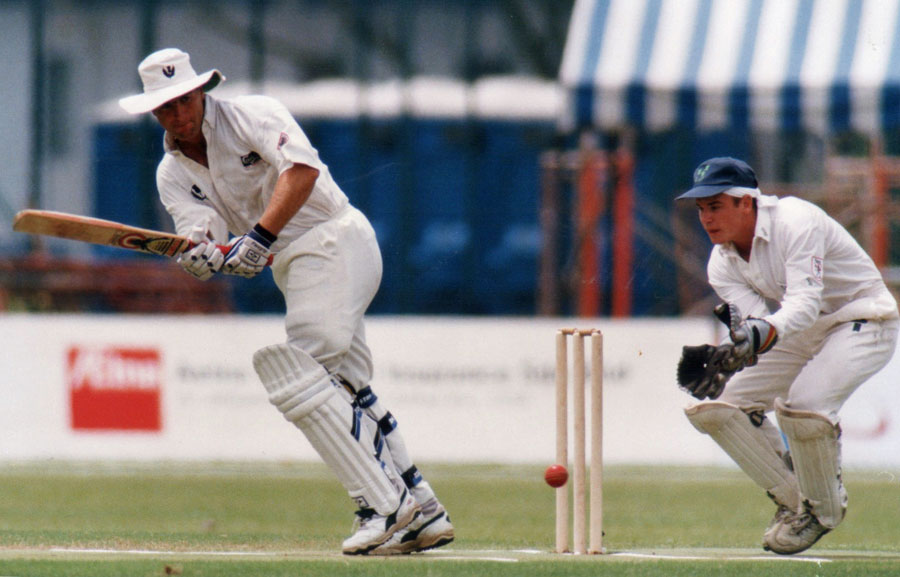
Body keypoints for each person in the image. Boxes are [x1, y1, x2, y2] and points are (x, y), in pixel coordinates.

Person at [119, 48, 454, 555]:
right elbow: (201, 234)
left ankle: (384, 506)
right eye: (165, 108)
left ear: (200, 91)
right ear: (153, 113)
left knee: (299, 374)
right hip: (296, 267)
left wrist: (257, 237)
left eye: (184, 100)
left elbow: (302, 171)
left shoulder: (255, 115)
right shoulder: (171, 174)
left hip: (333, 240)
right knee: (347, 387)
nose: (179, 115)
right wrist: (203, 257)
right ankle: (422, 507)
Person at [675, 157, 898, 555]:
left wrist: (756, 335)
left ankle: (824, 510)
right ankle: (795, 501)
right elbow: (758, 323)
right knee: (720, 408)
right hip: (801, 331)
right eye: (701, 209)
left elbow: (804, 304)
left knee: (804, 407)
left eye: (715, 205)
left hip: (864, 318)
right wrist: (733, 354)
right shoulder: (721, 263)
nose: (706, 218)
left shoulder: (796, 221)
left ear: (746, 202)